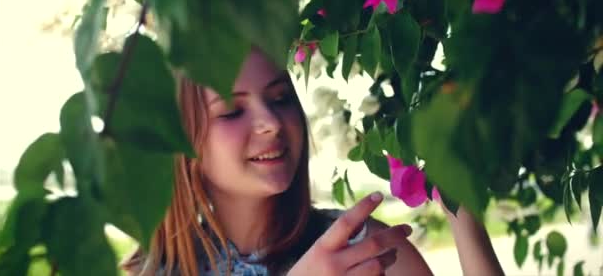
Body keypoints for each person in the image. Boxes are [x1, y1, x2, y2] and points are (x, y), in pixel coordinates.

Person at [122, 48, 504, 275]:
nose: (271, 123)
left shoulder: (363, 250)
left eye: (280, 98)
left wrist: (462, 208)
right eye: (232, 111)